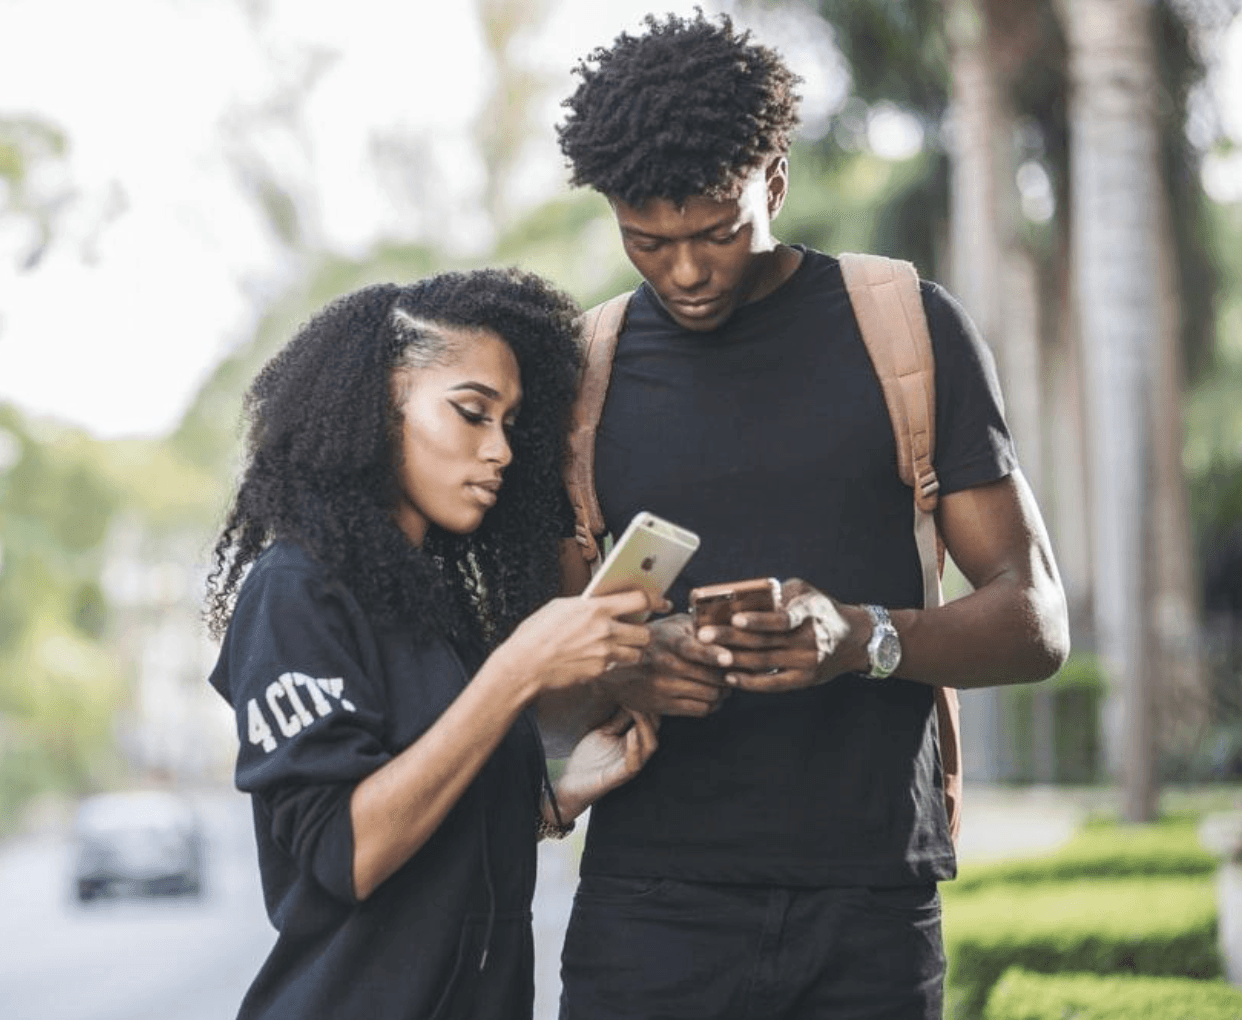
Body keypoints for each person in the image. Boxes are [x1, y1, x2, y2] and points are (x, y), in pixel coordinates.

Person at [547, 11, 1071, 1020]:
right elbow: (534, 662)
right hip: (648, 908)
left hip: (871, 906)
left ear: (775, 182)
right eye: (647, 240)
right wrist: (625, 660)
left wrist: (861, 637)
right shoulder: (585, 375)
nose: (687, 272)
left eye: (718, 230)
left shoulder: (906, 326)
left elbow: (1036, 621)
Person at [204, 268, 665, 1020]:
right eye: (472, 413)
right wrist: (514, 673)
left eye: (511, 425)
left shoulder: (428, 596)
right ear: (378, 407)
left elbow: (438, 832)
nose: (501, 452)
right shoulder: (294, 592)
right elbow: (347, 853)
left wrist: (557, 797)